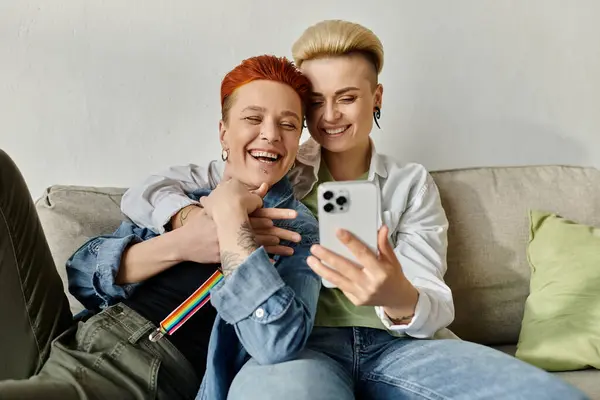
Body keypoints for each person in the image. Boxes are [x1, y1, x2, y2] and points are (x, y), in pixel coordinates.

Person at [114, 20, 588, 399]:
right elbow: (146, 192)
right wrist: (193, 220)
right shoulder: (273, 164)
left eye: (347, 98)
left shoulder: (408, 184)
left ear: (376, 98)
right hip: (299, 348)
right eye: (315, 102)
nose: (329, 117)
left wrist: (396, 294)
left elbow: (433, 299)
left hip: (398, 347)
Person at [0, 54, 320, 400]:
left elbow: (275, 341)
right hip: (69, 336)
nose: (271, 135)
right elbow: (81, 275)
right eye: (253, 118)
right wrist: (185, 241)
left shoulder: (297, 229)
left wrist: (232, 226)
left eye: (288, 125)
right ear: (224, 133)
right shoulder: (181, 197)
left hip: (142, 370)